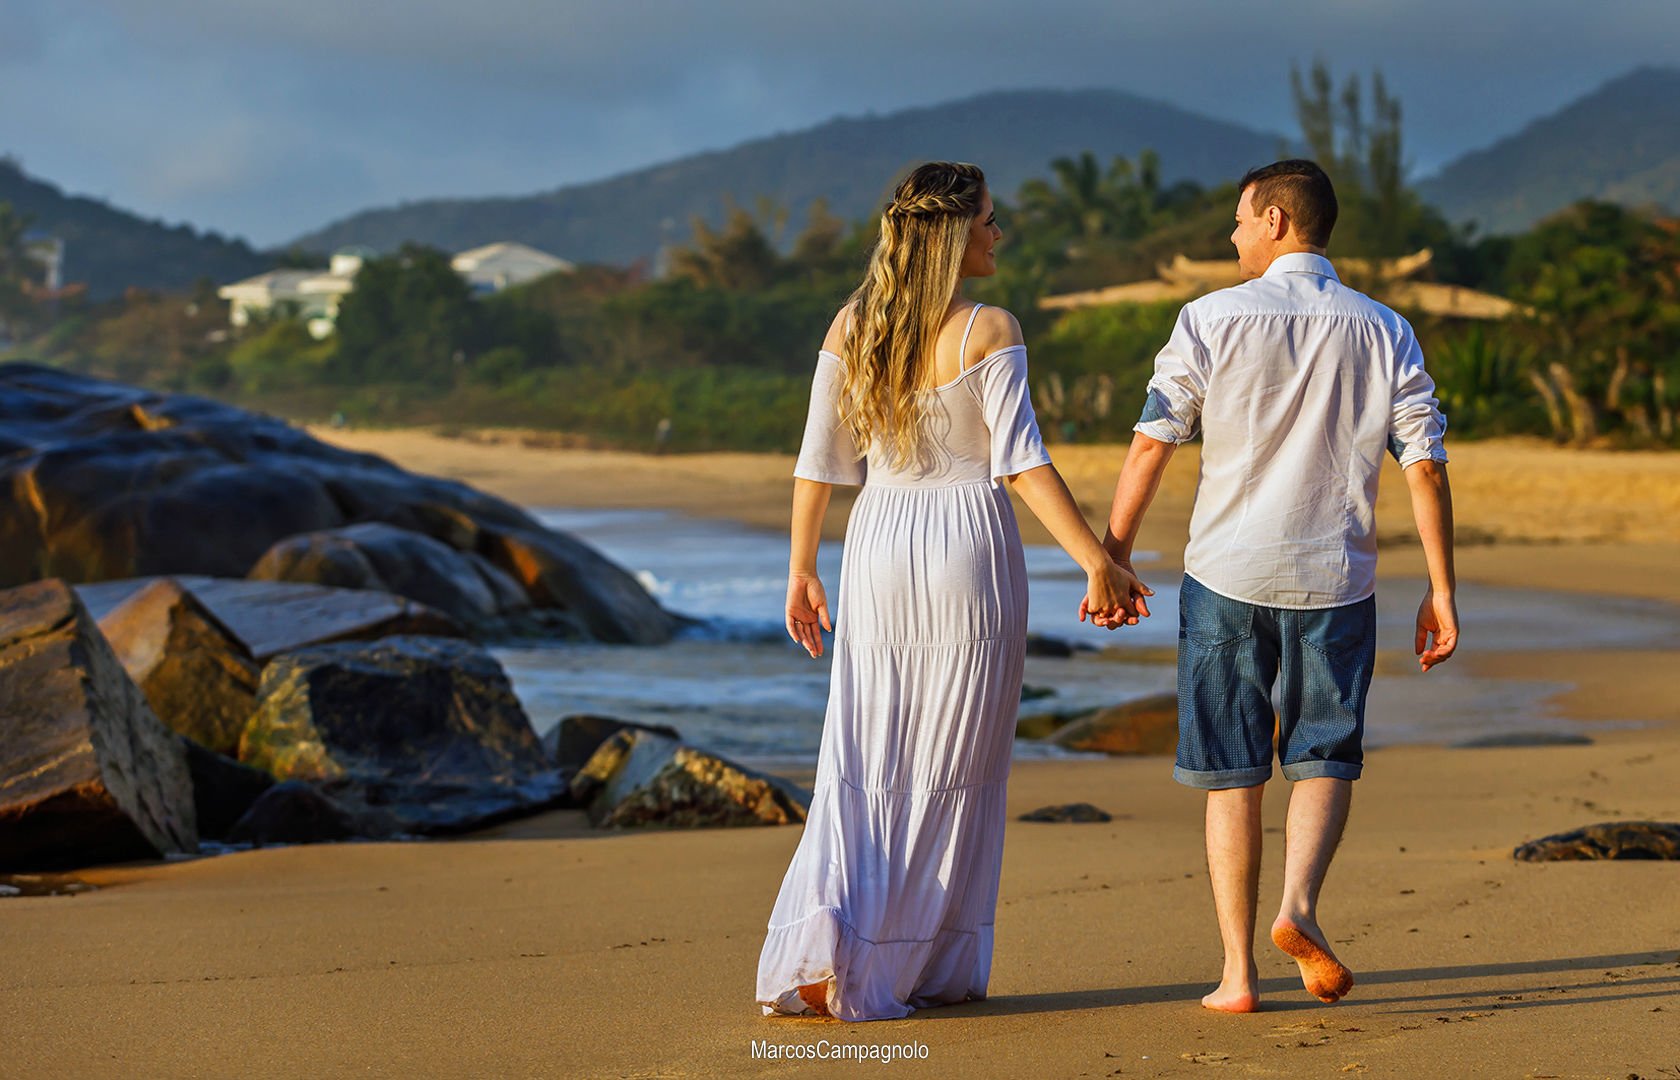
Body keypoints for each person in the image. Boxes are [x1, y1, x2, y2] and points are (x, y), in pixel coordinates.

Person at [756, 161, 1148, 1021]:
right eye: (989, 223)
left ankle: (843, 947)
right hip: (964, 548)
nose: (999, 235)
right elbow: (1020, 463)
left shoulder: (852, 324)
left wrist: (801, 569)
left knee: (865, 756)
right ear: (953, 235)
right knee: (953, 765)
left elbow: (819, 462)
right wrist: (1095, 560)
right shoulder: (989, 328)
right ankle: (914, 962)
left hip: (880, 542)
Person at [1092, 159, 1458, 1013]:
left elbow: (1154, 440)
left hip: (1226, 573)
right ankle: (1298, 910)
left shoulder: (1210, 317)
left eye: (1239, 219)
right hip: (1337, 576)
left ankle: (1237, 976)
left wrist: (1111, 553)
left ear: (1279, 221)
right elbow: (1427, 465)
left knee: (1231, 770)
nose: (1231, 235)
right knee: (1324, 749)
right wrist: (1441, 591)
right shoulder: (1384, 328)